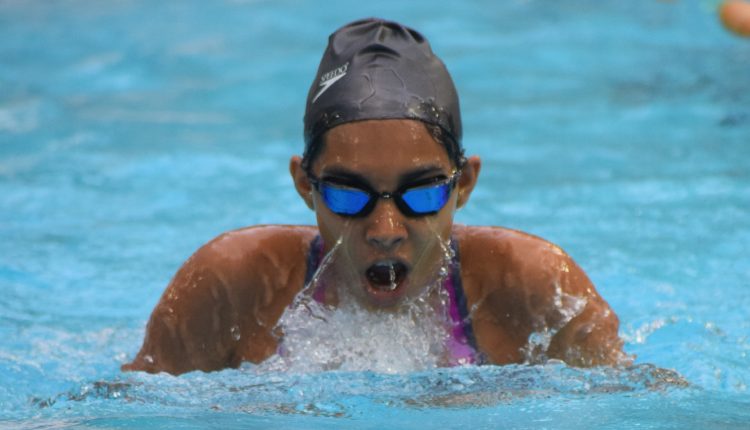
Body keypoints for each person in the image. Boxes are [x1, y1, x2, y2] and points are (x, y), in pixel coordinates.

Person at [122, 18, 628, 375]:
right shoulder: (233, 287)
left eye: (422, 193)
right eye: (348, 195)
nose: (385, 230)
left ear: (464, 184)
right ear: (305, 185)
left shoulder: (536, 290)